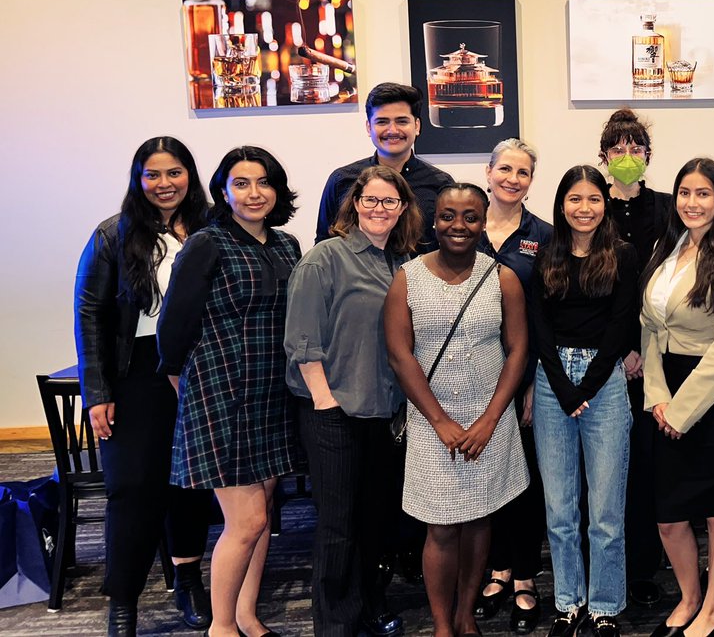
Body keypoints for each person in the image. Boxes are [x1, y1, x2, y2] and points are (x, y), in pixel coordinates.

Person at [158, 146, 302, 637]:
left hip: (272, 394)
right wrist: (190, 389)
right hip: (221, 393)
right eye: (241, 183)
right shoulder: (207, 243)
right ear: (223, 190)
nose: (253, 193)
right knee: (247, 520)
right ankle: (221, 628)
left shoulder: (287, 246)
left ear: (277, 189)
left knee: (261, 518)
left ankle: (247, 616)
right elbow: (172, 331)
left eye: (262, 182)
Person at [74, 137, 214, 637]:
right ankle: (124, 600)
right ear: (138, 180)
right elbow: (90, 313)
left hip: (201, 369)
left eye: (174, 173)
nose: (164, 184)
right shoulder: (113, 234)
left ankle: (188, 578)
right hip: (137, 373)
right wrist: (97, 393)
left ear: (189, 175)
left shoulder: (212, 227)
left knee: (190, 484)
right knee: (132, 488)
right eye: (152, 175)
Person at [384, 183, 530, 637]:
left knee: (480, 519)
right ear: (434, 220)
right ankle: (442, 624)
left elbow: (518, 349)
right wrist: (442, 422)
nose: (459, 226)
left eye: (470, 217)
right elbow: (399, 355)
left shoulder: (502, 277)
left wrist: (488, 421)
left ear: (484, 222)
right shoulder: (408, 277)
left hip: (490, 420)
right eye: (449, 216)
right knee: (443, 527)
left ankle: (466, 614)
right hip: (432, 423)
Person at [285, 166, 423, 637]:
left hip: (382, 413)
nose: (379, 209)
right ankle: (335, 623)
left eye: (390, 202)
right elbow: (302, 338)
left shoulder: (401, 264)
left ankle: (367, 605)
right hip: (333, 412)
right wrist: (324, 399)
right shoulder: (325, 258)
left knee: (374, 522)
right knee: (338, 525)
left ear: (402, 208)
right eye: (371, 200)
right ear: (354, 203)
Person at [641, 157, 714, 637]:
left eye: (703, 193)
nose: (692, 202)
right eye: (685, 192)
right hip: (665, 387)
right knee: (668, 515)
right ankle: (689, 597)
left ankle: (713, 608)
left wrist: (683, 409)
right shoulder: (666, 248)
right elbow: (649, 328)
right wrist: (657, 396)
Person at [531, 165, 639, 637]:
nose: (585, 208)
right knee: (559, 508)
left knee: (606, 510)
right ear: (562, 204)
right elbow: (538, 325)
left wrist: (589, 385)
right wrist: (562, 386)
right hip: (553, 378)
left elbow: (621, 322)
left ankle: (605, 606)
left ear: (605, 204)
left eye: (594, 199)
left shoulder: (622, 254)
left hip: (606, 380)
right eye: (575, 199)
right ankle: (568, 603)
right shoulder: (545, 254)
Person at [474, 139, 553, 634]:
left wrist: (534, 385)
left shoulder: (543, 236)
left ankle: (525, 575)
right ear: (488, 171)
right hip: (470, 378)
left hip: (524, 377)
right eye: (504, 168)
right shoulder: (461, 223)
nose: (512, 178)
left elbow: (548, 315)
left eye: (522, 172)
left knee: (525, 480)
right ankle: (496, 569)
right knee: (486, 478)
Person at [598, 106, 671, 608]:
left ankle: (644, 566)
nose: (627, 157)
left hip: (659, 356)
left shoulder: (669, 208)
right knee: (605, 470)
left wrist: (645, 348)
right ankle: (605, 565)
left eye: (635, 148)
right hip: (604, 356)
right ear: (603, 157)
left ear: (648, 155)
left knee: (647, 466)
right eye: (617, 149)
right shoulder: (588, 205)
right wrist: (621, 347)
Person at [315, 82, 453, 249]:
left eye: (402, 121)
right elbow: (323, 243)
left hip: (419, 274)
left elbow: (448, 246)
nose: (392, 130)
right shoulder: (342, 180)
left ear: (417, 126)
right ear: (369, 127)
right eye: (382, 122)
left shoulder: (440, 183)